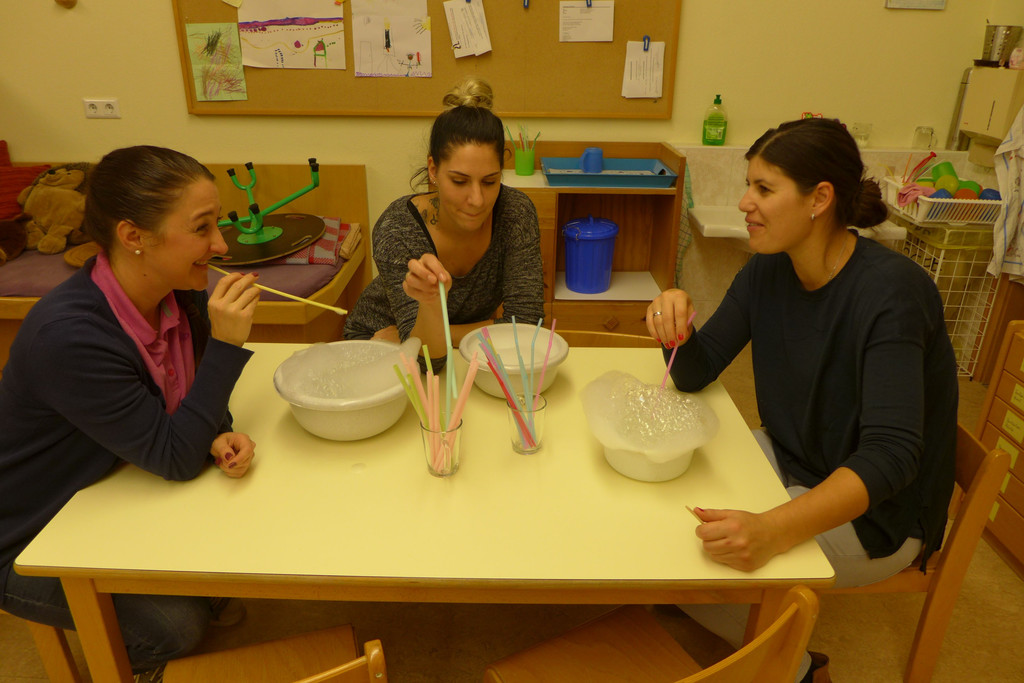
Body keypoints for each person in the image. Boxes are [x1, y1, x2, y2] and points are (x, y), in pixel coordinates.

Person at [646, 118, 957, 682]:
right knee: (659, 515)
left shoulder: (892, 293)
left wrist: (774, 529)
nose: (745, 202)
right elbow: (696, 371)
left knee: (684, 566)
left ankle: (799, 671)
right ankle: (723, 604)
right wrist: (677, 324)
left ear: (819, 199)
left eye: (764, 189)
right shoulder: (769, 269)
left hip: (879, 514)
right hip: (793, 457)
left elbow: (892, 457)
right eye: (748, 185)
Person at [0, 146, 261, 677]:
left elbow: (189, 392)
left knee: (243, 531)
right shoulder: (69, 337)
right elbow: (176, 458)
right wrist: (228, 347)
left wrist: (218, 430)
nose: (221, 244)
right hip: (29, 533)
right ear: (133, 236)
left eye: (218, 224)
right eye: (202, 228)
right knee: (175, 625)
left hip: (110, 479)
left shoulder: (177, 291)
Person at [343, 77, 544, 361]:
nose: (477, 200)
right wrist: (421, 331)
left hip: (442, 345)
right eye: (460, 181)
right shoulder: (397, 228)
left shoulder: (515, 213)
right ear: (433, 170)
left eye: (490, 181)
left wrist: (426, 335)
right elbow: (427, 359)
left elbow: (526, 327)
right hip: (378, 340)